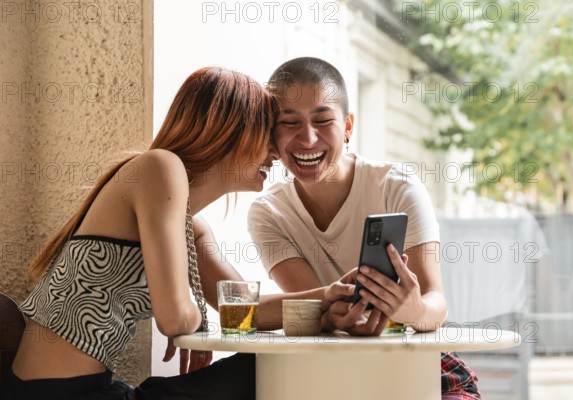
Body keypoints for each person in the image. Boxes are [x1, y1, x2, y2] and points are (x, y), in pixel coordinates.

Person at [1, 67, 354, 400]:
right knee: (271, 369)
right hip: (55, 394)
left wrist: (329, 297)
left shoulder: (193, 226)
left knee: (278, 363)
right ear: (234, 130)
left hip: (95, 388)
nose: (277, 152)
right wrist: (191, 320)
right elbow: (175, 318)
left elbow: (245, 311)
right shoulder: (159, 167)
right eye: (268, 134)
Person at [248, 57, 481, 398]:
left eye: (323, 120)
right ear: (271, 133)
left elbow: (436, 306)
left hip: (415, 362)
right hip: (329, 366)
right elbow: (314, 308)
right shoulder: (268, 212)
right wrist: (333, 317)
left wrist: (412, 309)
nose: (308, 138)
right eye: (289, 122)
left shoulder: (397, 186)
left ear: (347, 126)